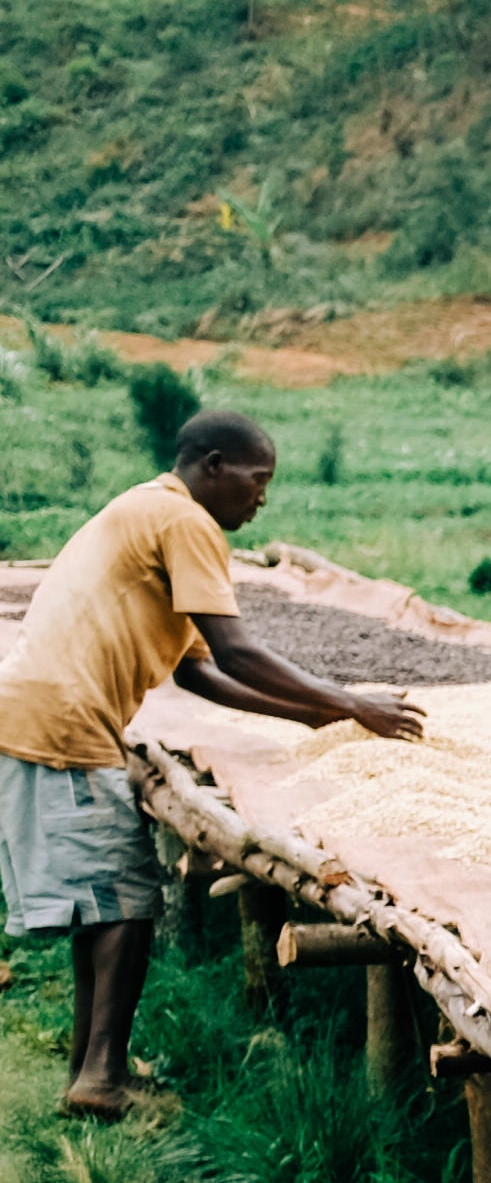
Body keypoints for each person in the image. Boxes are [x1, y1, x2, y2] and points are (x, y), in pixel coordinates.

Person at [0, 410, 425, 1119]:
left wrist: (310, 714)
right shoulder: (185, 520)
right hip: (63, 720)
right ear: (215, 466)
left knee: (104, 907)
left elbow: (196, 671)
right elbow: (238, 652)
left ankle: (90, 1070)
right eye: (258, 480)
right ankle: (101, 1078)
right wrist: (351, 701)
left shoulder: (151, 510)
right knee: (127, 906)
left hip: (44, 711)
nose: (262, 498)